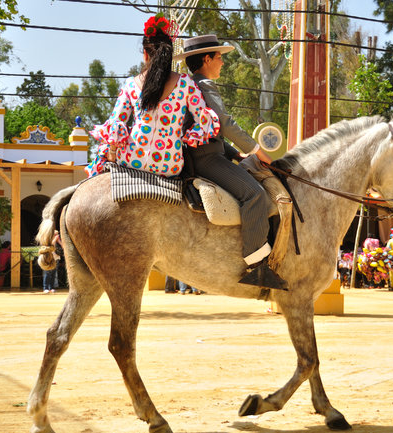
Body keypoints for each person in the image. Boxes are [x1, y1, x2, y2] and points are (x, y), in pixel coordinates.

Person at [175, 34, 287, 291]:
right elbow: (224, 123)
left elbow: (208, 129)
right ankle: (256, 266)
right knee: (256, 195)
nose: (222, 63)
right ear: (206, 59)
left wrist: (237, 154)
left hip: (209, 153)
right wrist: (257, 150)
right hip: (206, 159)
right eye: (219, 58)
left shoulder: (192, 85)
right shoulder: (203, 85)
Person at [85, 14, 219, 178]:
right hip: (170, 165)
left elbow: (116, 122)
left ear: (145, 55)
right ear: (168, 54)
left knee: (98, 164)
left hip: (132, 159)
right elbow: (203, 119)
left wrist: (111, 152)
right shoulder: (185, 83)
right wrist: (186, 137)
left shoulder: (131, 84)